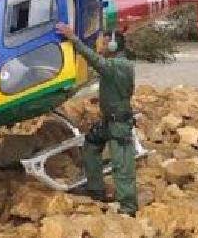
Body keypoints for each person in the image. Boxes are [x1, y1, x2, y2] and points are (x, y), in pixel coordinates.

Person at [54, 22, 138, 216]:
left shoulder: (120, 65)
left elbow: (96, 61)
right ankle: (96, 189)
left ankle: (128, 207)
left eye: (105, 42)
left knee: (122, 165)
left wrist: (73, 38)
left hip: (119, 124)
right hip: (109, 121)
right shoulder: (117, 65)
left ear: (113, 46)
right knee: (91, 145)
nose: (100, 46)